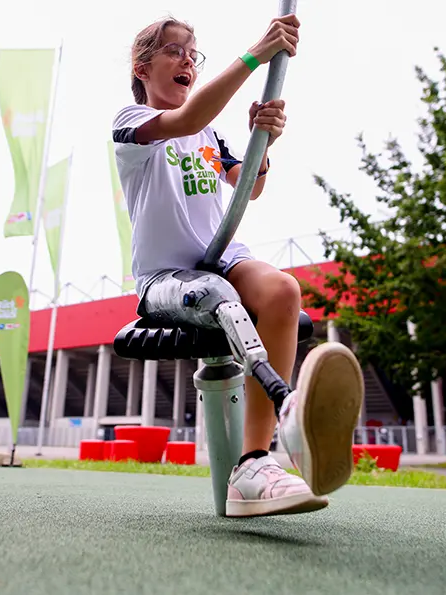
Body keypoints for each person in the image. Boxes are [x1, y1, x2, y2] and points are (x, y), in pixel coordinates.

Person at [112, 15, 365, 517]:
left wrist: (261, 146)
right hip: (168, 277)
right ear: (142, 68)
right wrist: (256, 54)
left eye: (192, 54)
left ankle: (254, 462)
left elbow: (249, 185)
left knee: (282, 291)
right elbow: (180, 122)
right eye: (173, 51)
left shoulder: (209, 132)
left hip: (225, 259)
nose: (187, 60)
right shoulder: (130, 122)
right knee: (219, 299)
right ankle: (286, 401)